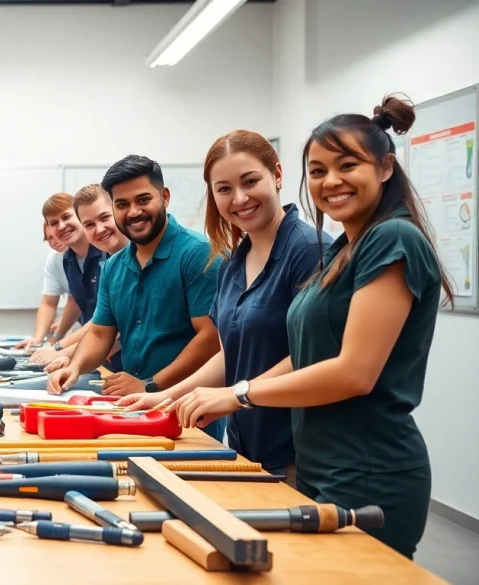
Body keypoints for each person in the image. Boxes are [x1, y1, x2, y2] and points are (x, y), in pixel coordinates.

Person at [169, 96, 448, 560]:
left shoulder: (393, 239)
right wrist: (182, 394)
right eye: (317, 171)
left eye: (348, 165)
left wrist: (239, 394)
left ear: (385, 168)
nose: (331, 181)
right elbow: (307, 353)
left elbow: (354, 372)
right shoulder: (343, 252)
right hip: (321, 460)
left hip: (368, 467)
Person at [118, 130, 331, 482]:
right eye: (225, 189)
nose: (240, 198)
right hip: (249, 444)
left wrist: (235, 395)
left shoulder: (311, 251)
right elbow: (229, 353)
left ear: (277, 176)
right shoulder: (235, 259)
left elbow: (312, 354)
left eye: (250, 181)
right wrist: (165, 397)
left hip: (298, 451)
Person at [47, 155, 224, 440]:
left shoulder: (198, 254)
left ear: (164, 197)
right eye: (122, 204)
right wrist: (74, 367)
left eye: (143, 199)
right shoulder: (114, 267)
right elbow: (100, 333)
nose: (133, 212)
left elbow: (210, 338)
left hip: (188, 416)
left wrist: (150, 385)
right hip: (131, 409)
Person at [34, 184, 129, 371]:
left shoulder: (111, 254)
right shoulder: (64, 259)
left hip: (118, 353)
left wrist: (60, 349)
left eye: (66, 217)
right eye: (53, 223)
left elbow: (111, 324)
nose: (61, 226)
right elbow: (73, 301)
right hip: (98, 351)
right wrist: (49, 342)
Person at [15, 222, 81, 351]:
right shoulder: (56, 259)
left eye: (58, 235)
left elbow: (76, 301)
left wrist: (56, 343)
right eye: (50, 238)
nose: (56, 241)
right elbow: (49, 303)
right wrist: (38, 339)